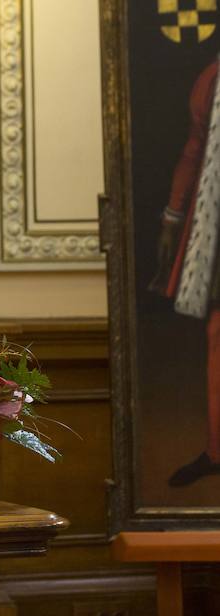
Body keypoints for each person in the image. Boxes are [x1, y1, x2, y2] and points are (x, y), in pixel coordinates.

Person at [148, 58, 220, 487]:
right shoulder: (212, 80)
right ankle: (216, 450)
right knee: (217, 336)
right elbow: (195, 148)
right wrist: (174, 215)